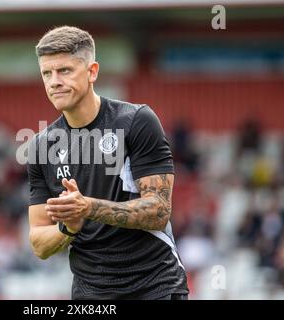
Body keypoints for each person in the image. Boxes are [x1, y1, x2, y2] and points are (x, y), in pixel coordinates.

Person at [27, 26, 189, 300]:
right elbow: (39, 243)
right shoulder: (42, 146)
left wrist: (88, 207)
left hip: (155, 286)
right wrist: (68, 227)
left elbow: (159, 211)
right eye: (46, 73)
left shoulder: (137, 121)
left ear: (92, 72)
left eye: (64, 70)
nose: (54, 81)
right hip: (91, 294)